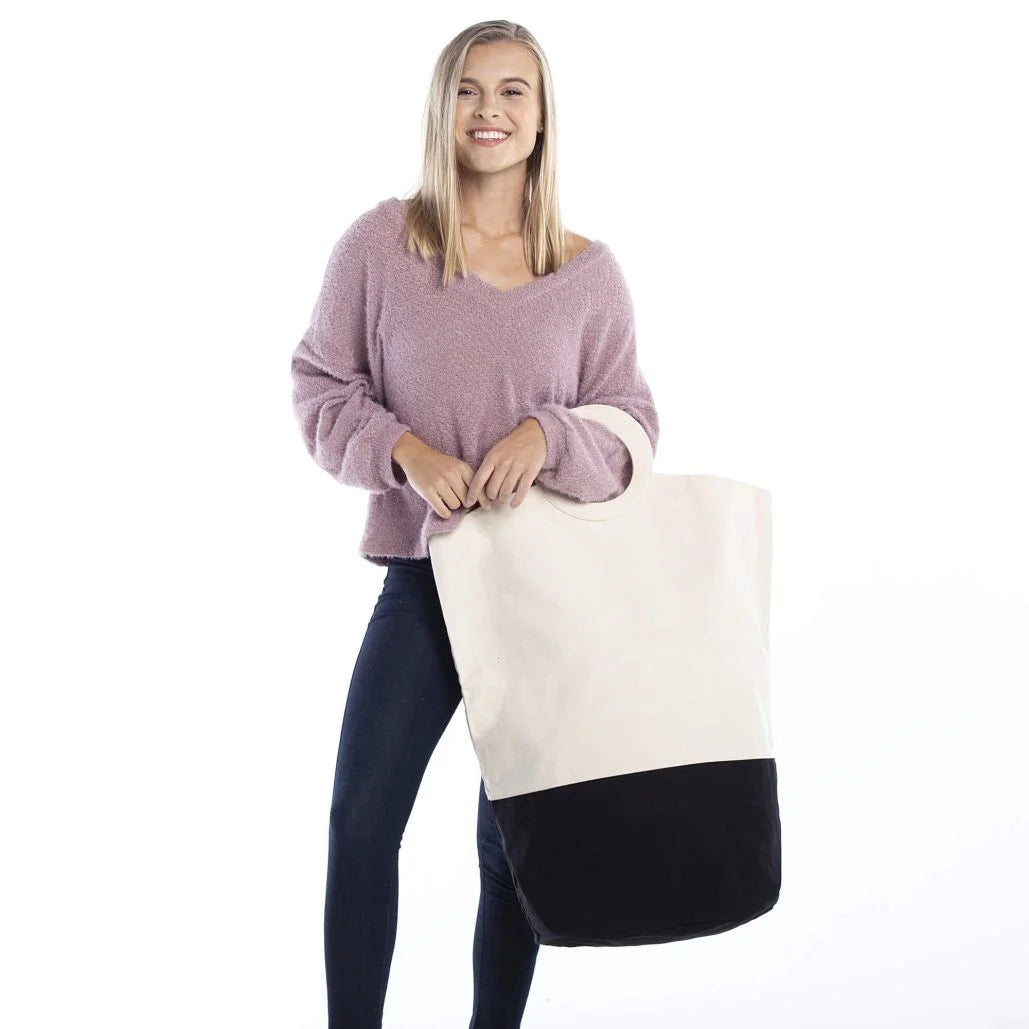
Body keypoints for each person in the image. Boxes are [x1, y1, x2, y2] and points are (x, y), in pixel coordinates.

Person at [290, 19, 659, 1029]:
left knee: (513, 843)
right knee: (361, 825)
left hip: (539, 595)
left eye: (513, 93)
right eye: (468, 90)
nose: (489, 111)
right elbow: (321, 385)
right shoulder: (382, 244)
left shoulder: (589, 274)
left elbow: (634, 429)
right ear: (441, 108)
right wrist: (403, 452)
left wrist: (547, 438)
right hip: (423, 584)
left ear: (543, 121)